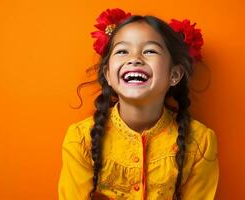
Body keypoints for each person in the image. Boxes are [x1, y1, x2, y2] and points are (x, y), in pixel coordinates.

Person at [58, 8, 219, 200]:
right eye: (122, 51)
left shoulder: (201, 142)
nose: (134, 59)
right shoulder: (81, 139)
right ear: (108, 74)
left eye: (150, 51)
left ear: (174, 74)